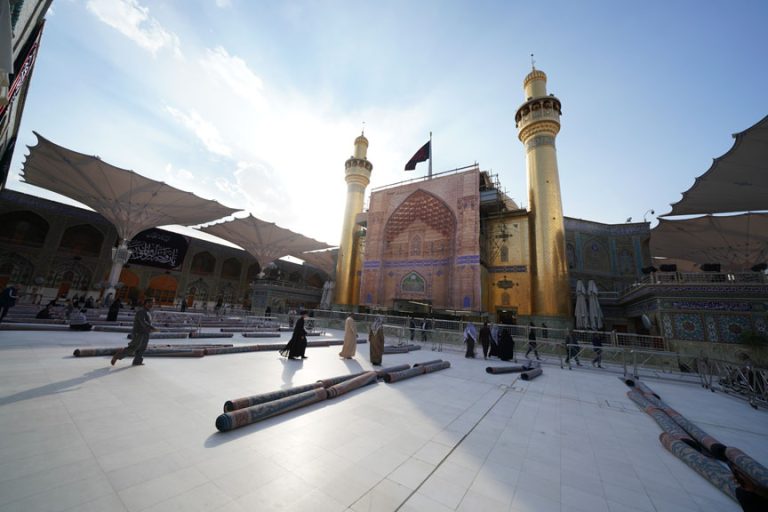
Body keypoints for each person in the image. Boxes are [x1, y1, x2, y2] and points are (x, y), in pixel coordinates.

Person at [111, 299, 158, 366]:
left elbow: (147, 322)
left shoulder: (148, 312)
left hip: (146, 333)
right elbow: (143, 322)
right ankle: (117, 356)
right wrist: (151, 328)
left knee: (142, 348)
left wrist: (150, 329)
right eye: (149, 303)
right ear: (145, 303)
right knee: (133, 348)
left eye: (152, 303)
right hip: (139, 333)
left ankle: (137, 361)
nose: (151, 304)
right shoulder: (141, 312)